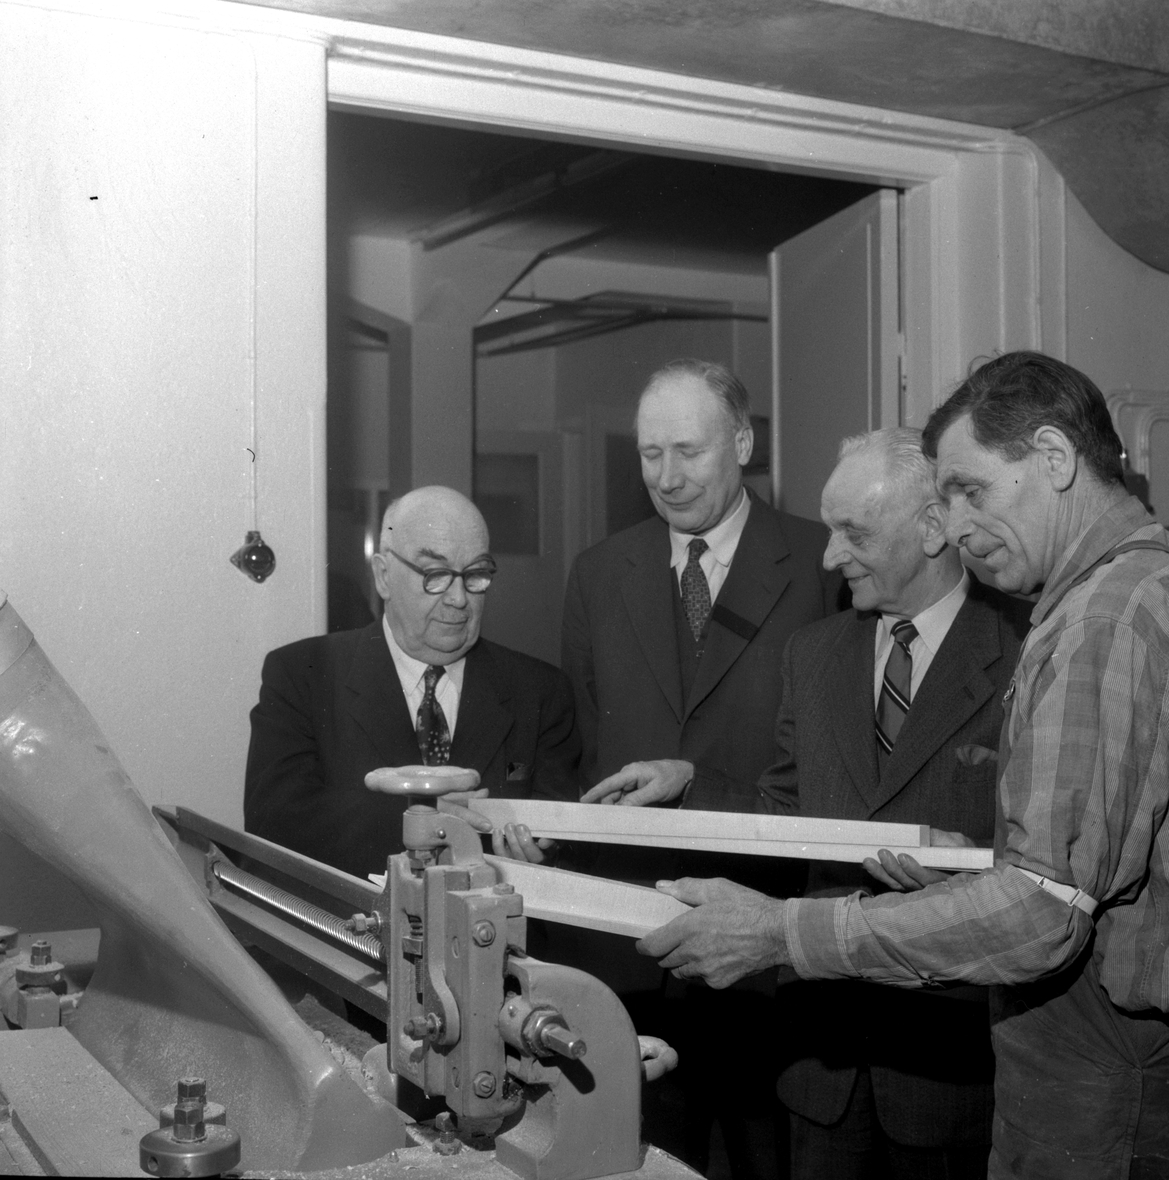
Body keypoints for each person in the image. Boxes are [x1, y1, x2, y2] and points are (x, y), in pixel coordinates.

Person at [638, 352, 1169, 1180]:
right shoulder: (1119, 592)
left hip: (1085, 1078)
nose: (954, 526)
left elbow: (1041, 912)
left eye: (970, 490)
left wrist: (780, 931)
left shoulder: (1101, 616)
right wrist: (976, 870)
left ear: (1054, 458)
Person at [564, 359, 839, 1179]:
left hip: (769, 949)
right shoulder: (597, 573)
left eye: (688, 451)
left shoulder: (823, 563)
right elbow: (581, 747)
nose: (666, 477)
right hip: (633, 950)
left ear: (743, 444)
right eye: (650, 454)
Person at [757, 428, 1031, 1179]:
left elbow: (1047, 867)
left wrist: (971, 874)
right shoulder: (812, 655)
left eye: (854, 532)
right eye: (829, 530)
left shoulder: (1025, 649)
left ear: (934, 527)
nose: (828, 556)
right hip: (823, 1065)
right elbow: (784, 810)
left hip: (950, 1072)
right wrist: (686, 789)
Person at [244, 485, 580, 879]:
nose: (459, 598)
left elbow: (564, 843)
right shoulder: (302, 674)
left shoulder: (540, 692)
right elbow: (274, 823)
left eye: (475, 574)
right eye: (435, 574)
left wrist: (543, 855)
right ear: (383, 576)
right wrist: (421, 824)